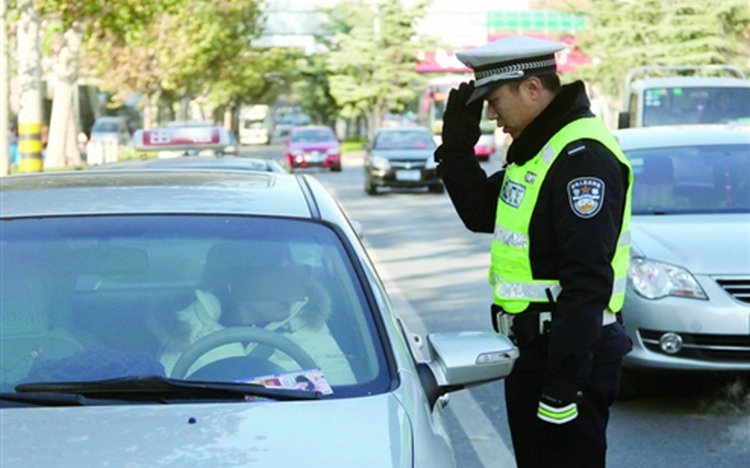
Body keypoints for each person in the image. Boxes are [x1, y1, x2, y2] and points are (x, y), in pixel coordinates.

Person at [434, 36, 633, 468]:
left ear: (532, 88)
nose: (490, 113)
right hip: (537, 351)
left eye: (495, 99)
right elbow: (479, 212)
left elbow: (587, 280)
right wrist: (455, 149)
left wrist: (562, 386)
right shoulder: (537, 153)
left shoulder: (582, 157)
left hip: (570, 355)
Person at [150, 264, 356, 385]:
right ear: (237, 290)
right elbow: (171, 397)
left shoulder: (308, 324)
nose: (286, 296)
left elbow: (343, 390)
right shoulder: (187, 328)